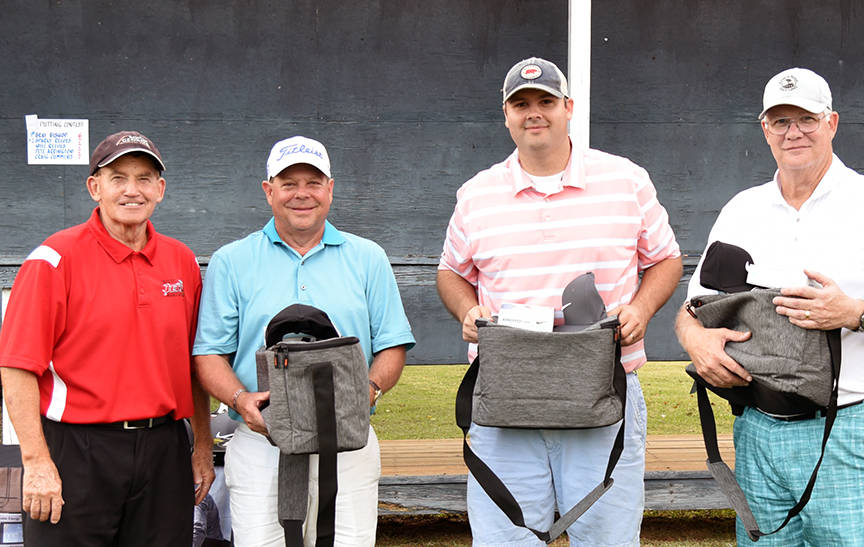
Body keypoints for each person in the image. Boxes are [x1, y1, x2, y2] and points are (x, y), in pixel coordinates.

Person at [675, 67, 864, 545]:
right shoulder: (741, 210)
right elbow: (692, 309)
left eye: (807, 119)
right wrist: (696, 341)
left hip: (852, 428)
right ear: (764, 129)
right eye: (780, 121)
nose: (793, 132)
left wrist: (855, 313)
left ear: (832, 123)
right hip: (757, 431)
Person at [436, 56, 682, 546]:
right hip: (505, 401)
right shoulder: (477, 193)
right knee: (507, 540)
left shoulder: (626, 180)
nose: (534, 113)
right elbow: (451, 272)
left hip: (602, 394)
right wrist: (468, 310)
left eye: (546, 101)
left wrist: (640, 309)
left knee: (606, 539)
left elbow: (666, 260)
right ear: (506, 115)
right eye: (521, 104)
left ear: (568, 108)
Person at [192, 136, 415, 546]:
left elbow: (392, 345)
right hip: (262, 444)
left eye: (313, 183)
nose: (301, 194)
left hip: (347, 444)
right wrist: (241, 400)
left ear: (330, 188)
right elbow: (209, 354)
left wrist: (366, 390)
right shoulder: (232, 261)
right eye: (288, 182)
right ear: (268, 190)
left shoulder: (368, 257)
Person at [0, 130, 214, 545]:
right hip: (76, 451)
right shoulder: (53, 260)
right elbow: (17, 367)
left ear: (161, 189)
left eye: (144, 178)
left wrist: (202, 445)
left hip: (164, 449)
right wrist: (36, 461)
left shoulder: (182, 261)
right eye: (118, 178)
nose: (132, 190)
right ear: (95, 188)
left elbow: (195, 364)